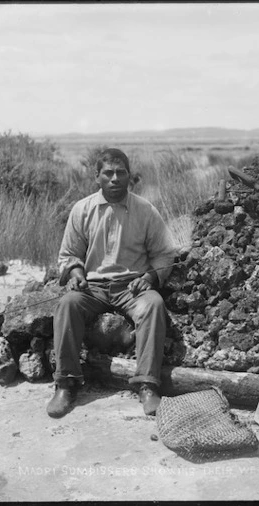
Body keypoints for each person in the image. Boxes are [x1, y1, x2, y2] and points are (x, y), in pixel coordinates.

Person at [47, 148, 178, 418]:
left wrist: (151, 277)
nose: (115, 178)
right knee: (67, 305)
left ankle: (147, 386)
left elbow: (165, 253)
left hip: (132, 288)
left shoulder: (145, 210)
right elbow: (69, 254)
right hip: (92, 288)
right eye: (108, 173)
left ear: (130, 176)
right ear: (97, 177)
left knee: (153, 304)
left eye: (121, 172)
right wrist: (75, 274)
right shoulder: (82, 210)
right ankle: (66, 384)